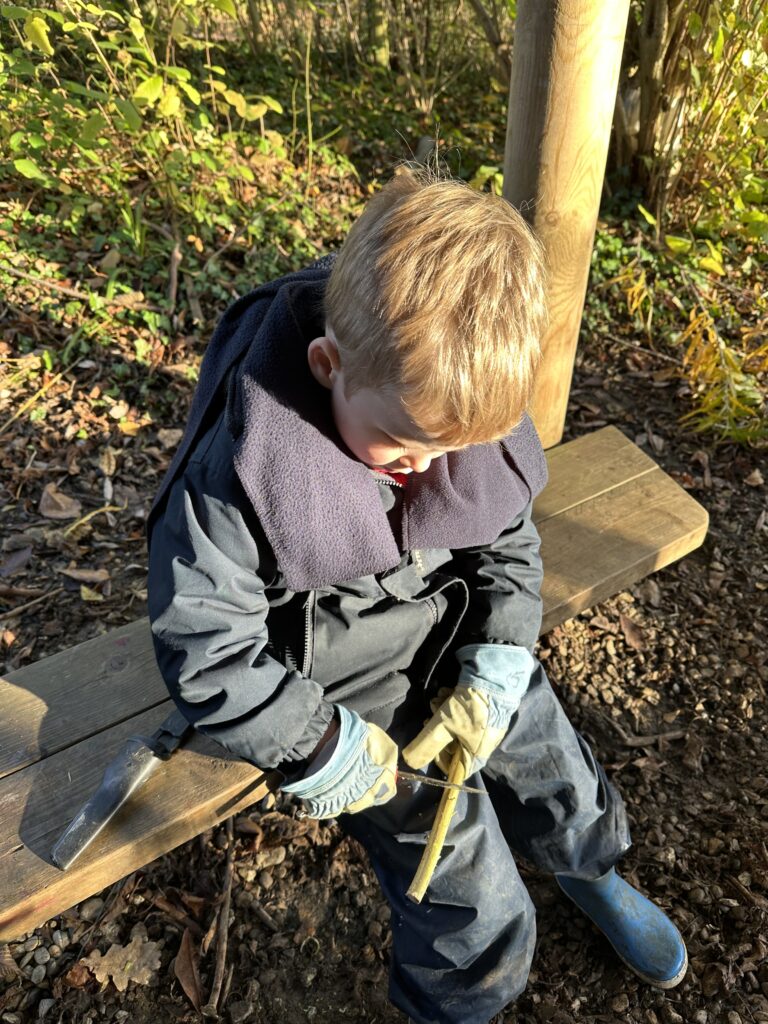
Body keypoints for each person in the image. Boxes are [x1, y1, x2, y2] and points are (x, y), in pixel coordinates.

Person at [146, 167, 687, 1024]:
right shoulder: (242, 472)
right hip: (346, 686)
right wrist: (319, 746)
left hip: (456, 638)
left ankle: (592, 870)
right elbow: (206, 649)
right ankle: (457, 1005)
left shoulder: (444, 401)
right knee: (467, 887)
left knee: (553, 763)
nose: (430, 472)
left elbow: (506, 534)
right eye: (404, 446)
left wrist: (502, 656)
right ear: (329, 367)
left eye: (454, 448)